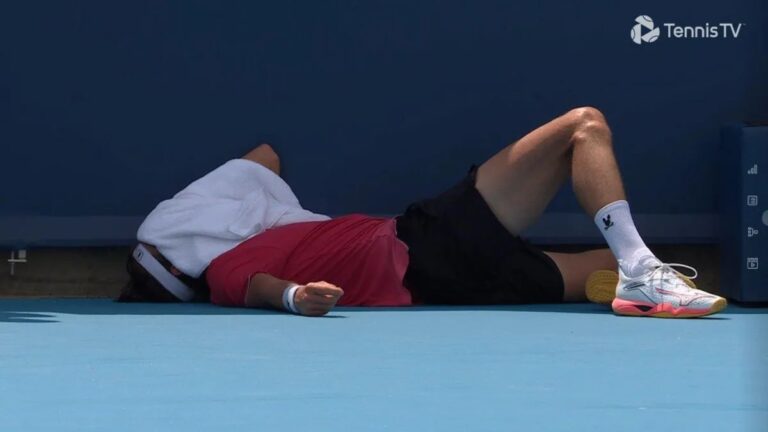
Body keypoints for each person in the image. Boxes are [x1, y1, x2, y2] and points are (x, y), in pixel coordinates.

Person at [121, 107, 727, 318]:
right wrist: (294, 298)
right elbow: (256, 288)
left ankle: (631, 278)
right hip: (426, 244)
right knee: (584, 126)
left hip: (446, 284)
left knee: (601, 268)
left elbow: (264, 162)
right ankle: (640, 270)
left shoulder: (266, 236)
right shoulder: (227, 267)